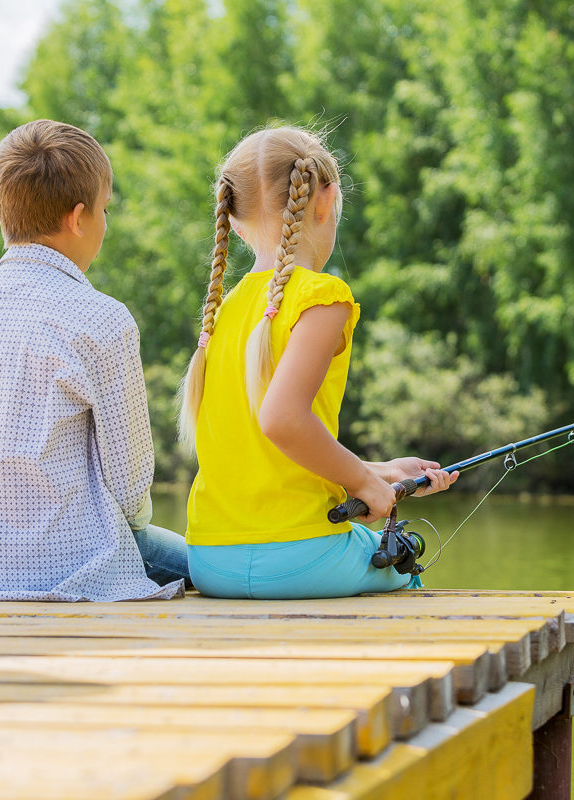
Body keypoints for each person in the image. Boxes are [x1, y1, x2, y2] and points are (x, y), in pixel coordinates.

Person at [0, 119, 187, 601]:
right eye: (104, 210)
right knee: (209, 563)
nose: (105, 225)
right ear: (77, 218)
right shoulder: (104, 320)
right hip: (73, 563)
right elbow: (130, 489)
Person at [179, 126, 457, 599]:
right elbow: (283, 419)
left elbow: (271, 452)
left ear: (238, 225)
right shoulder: (322, 297)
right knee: (406, 561)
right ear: (326, 200)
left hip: (209, 560)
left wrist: (378, 472)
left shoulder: (222, 313)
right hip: (299, 558)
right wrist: (362, 485)